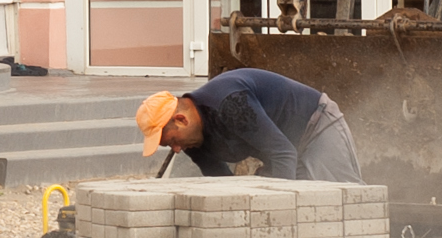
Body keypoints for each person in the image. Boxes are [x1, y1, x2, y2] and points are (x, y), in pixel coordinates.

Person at [137, 68, 363, 182]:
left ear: (181, 120)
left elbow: (284, 154)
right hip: (284, 149)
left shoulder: (230, 104)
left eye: (173, 142)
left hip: (316, 126)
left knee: (345, 197)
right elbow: (223, 186)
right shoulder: (194, 143)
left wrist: (281, 211)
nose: (177, 149)